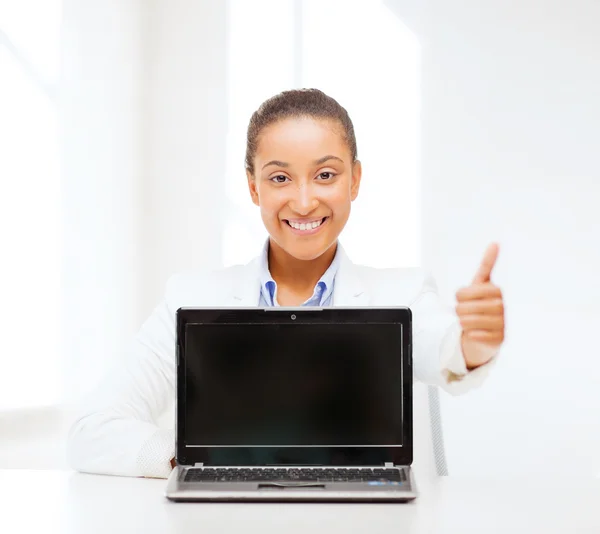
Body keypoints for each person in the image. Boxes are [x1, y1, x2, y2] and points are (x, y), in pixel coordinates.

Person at [67, 89, 505, 479]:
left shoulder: (405, 295)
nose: (303, 200)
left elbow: (446, 349)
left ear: (355, 180)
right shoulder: (190, 299)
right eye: (279, 178)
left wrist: (475, 345)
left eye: (326, 175)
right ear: (253, 187)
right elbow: (92, 429)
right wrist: (188, 459)